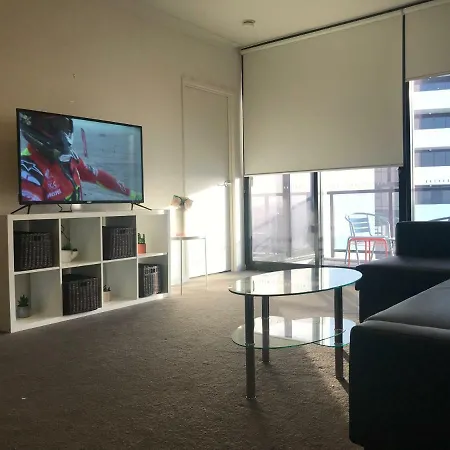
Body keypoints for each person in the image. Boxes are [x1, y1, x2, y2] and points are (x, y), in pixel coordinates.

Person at [19, 112, 141, 202]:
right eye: (51, 127)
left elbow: (95, 175)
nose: (62, 135)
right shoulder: (28, 173)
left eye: (63, 126)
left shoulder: (69, 157)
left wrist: (133, 194)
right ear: (31, 128)